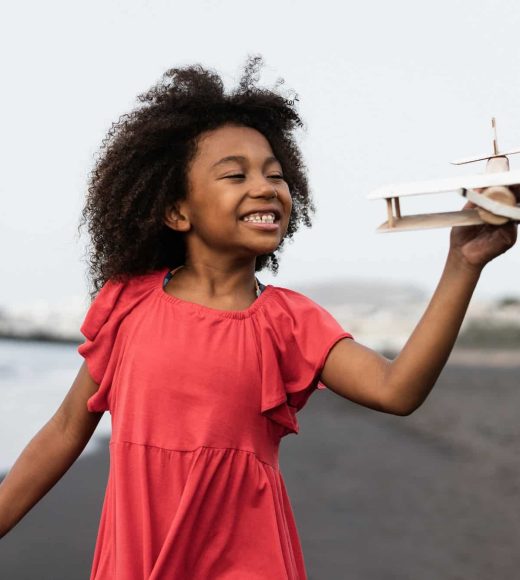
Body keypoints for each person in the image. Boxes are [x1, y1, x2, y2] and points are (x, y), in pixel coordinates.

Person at [0, 55, 517, 579]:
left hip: (247, 561)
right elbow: (67, 428)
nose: (267, 186)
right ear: (177, 211)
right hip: (138, 556)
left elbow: (396, 390)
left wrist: (463, 264)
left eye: (276, 173)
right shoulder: (127, 303)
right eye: (235, 174)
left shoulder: (288, 321)